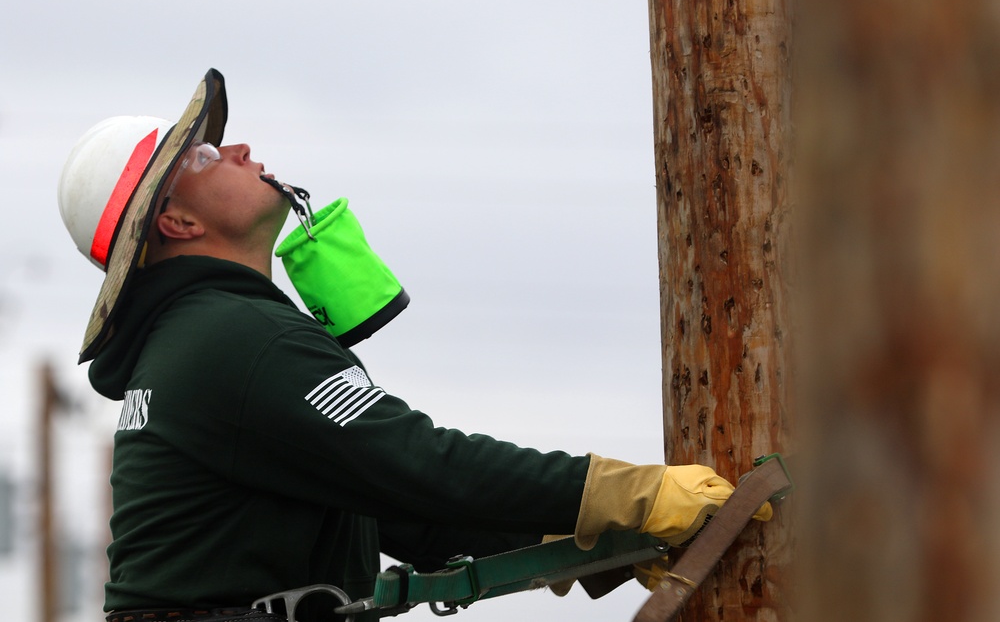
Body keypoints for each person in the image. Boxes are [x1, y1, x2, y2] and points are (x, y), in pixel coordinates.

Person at [58, 69, 770, 622]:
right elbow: (420, 461)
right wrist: (628, 494)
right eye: (204, 154)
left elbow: (406, 513)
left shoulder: (198, 339)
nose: (240, 148)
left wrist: (591, 544)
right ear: (177, 221)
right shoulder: (230, 338)